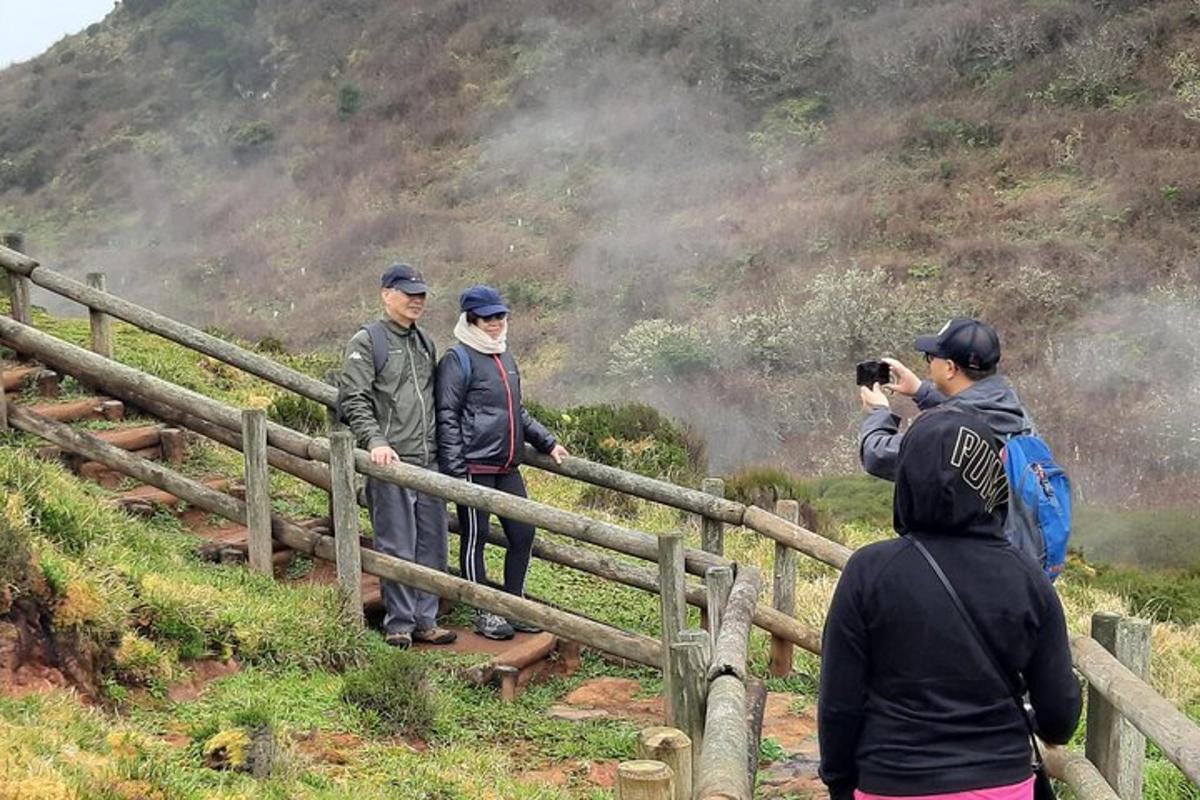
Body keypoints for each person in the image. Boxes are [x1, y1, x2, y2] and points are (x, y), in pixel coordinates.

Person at [819, 405, 1081, 800]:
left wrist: (839, 784)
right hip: (1001, 784)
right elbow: (1059, 718)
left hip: (893, 781)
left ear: (906, 478)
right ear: (990, 481)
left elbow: (839, 703)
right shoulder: (1028, 576)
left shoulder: (869, 572)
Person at [435, 285, 569, 640]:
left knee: (523, 533)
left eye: (500, 316)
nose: (495, 323)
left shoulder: (505, 357)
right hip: (473, 466)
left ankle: (513, 603)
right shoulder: (457, 358)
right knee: (474, 537)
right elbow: (446, 414)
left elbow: (515, 411)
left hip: (507, 464)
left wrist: (548, 441)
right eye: (487, 317)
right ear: (471, 319)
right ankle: (484, 609)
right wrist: (453, 469)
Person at [337, 263, 456, 649]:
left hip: (428, 459)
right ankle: (399, 624)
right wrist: (375, 441)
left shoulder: (424, 343)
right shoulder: (367, 341)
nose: (416, 300)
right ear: (386, 294)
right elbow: (353, 398)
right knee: (397, 543)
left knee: (432, 543)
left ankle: (426, 619)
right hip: (392, 462)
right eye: (408, 293)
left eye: (420, 294)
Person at [859, 318, 1035, 481]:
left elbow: (876, 455)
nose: (930, 363)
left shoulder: (944, 434)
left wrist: (878, 411)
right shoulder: (1012, 407)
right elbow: (971, 412)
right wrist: (921, 391)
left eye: (930, 357)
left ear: (950, 368)